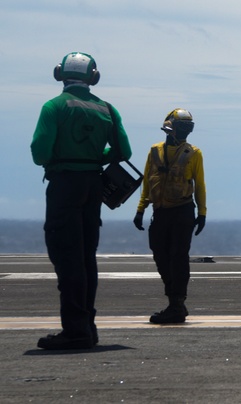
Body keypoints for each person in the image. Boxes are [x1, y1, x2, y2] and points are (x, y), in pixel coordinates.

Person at [31, 52, 132, 350]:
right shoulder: (107, 109)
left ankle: (75, 330)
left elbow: (40, 153)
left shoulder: (53, 107)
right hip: (93, 186)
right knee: (87, 256)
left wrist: (66, 157)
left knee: (67, 255)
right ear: (93, 77)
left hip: (65, 185)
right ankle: (87, 325)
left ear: (59, 73)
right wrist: (93, 157)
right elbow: (123, 151)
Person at [133, 108, 207, 324]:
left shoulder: (194, 153)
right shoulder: (154, 151)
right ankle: (174, 301)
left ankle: (176, 303)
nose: (184, 132)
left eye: (187, 128)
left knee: (179, 256)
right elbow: (148, 182)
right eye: (181, 127)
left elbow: (200, 185)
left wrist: (202, 213)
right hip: (160, 211)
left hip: (183, 210)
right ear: (170, 127)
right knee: (159, 254)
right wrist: (140, 209)